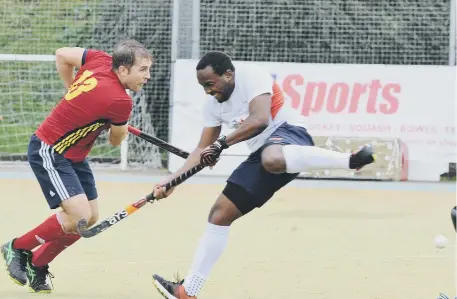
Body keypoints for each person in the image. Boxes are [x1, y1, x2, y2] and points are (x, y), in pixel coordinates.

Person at [150, 51, 376, 298]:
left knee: (273, 157)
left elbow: (260, 120)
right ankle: (187, 291)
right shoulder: (213, 107)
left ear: (228, 74)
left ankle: (350, 160)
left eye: (210, 84)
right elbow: (201, 149)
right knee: (219, 214)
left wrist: (221, 144)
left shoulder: (251, 76)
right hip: (262, 154)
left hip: (289, 135)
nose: (207, 91)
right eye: (202, 86)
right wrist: (172, 181)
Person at [1, 39, 152, 293]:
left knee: (88, 218)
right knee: (79, 216)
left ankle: (38, 263)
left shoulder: (100, 59)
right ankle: (17, 247)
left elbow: (62, 55)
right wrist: (119, 127)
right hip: (51, 149)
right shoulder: (120, 102)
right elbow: (115, 142)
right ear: (124, 70)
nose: (148, 76)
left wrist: (72, 89)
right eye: (143, 70)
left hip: (75, 155)